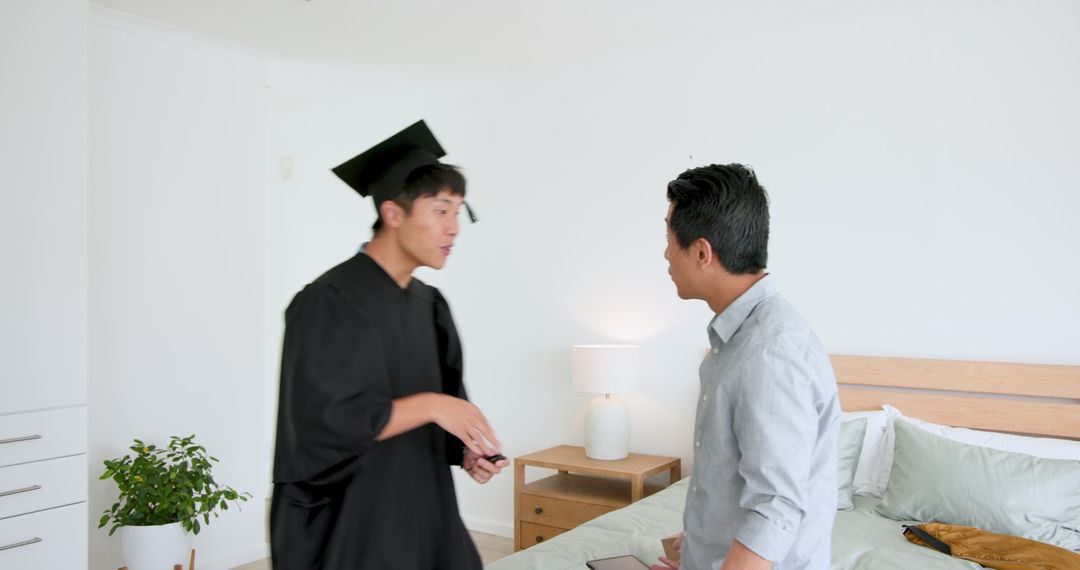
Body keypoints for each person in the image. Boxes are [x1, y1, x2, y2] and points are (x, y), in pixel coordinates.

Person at [271, 120, 508, 569]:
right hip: (351, 522)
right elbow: (321, 422)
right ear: (393, 213)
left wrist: (466, 452)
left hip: (424, 509)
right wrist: (432, 405)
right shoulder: (327, 301)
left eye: (458, 212)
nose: (454, 228)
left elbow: (450, 403)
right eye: (440, 211)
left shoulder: (430, 305)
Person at [653, 164, 840, 570]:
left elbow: (775, 510)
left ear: (702, 252)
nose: (665, 253)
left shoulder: (771, 353)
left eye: (668, 238)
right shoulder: (736, 341)